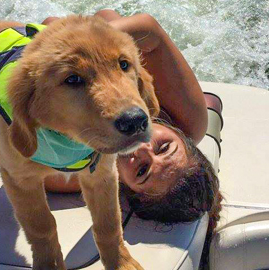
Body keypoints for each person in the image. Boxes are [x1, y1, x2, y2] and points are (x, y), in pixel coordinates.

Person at [40, 10, 223, 269]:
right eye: (164, 147)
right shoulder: (190, 120)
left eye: (142, 170)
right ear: (182, 137)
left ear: (125, 188)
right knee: (103, 17)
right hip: (113, 39)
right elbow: (149, 29)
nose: (143, 148)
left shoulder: (74, 174)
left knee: (50, 26)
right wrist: (82, 43)